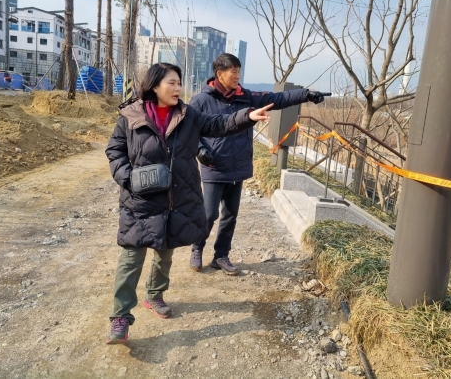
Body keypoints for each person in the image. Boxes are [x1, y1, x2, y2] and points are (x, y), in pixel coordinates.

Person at [104, 62, 272, 344]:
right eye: (171, 83)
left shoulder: (188, 115)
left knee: (165, 252)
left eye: (179, 83)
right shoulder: (130, 115)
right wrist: (128, 178)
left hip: (174, 200)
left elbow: (219, 124)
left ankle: (155, 295)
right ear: (154, 85)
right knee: (131, 258)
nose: (177, 88)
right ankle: (120, 317)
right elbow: (115, 150)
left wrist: (248, 116)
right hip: (139, 200)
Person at [188, 53, 327, 275]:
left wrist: (307, 95)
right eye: (233, 71)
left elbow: (277, 99)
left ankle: (221, 255)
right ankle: (197, 248)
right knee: (209, 214)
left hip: (239, 164)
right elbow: (189, 130)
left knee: (230, 214)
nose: (237, 76)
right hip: (214, 166)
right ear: (219, 74)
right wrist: (199, 149)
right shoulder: (200, 101)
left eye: (239, 71)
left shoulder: (246, 97)